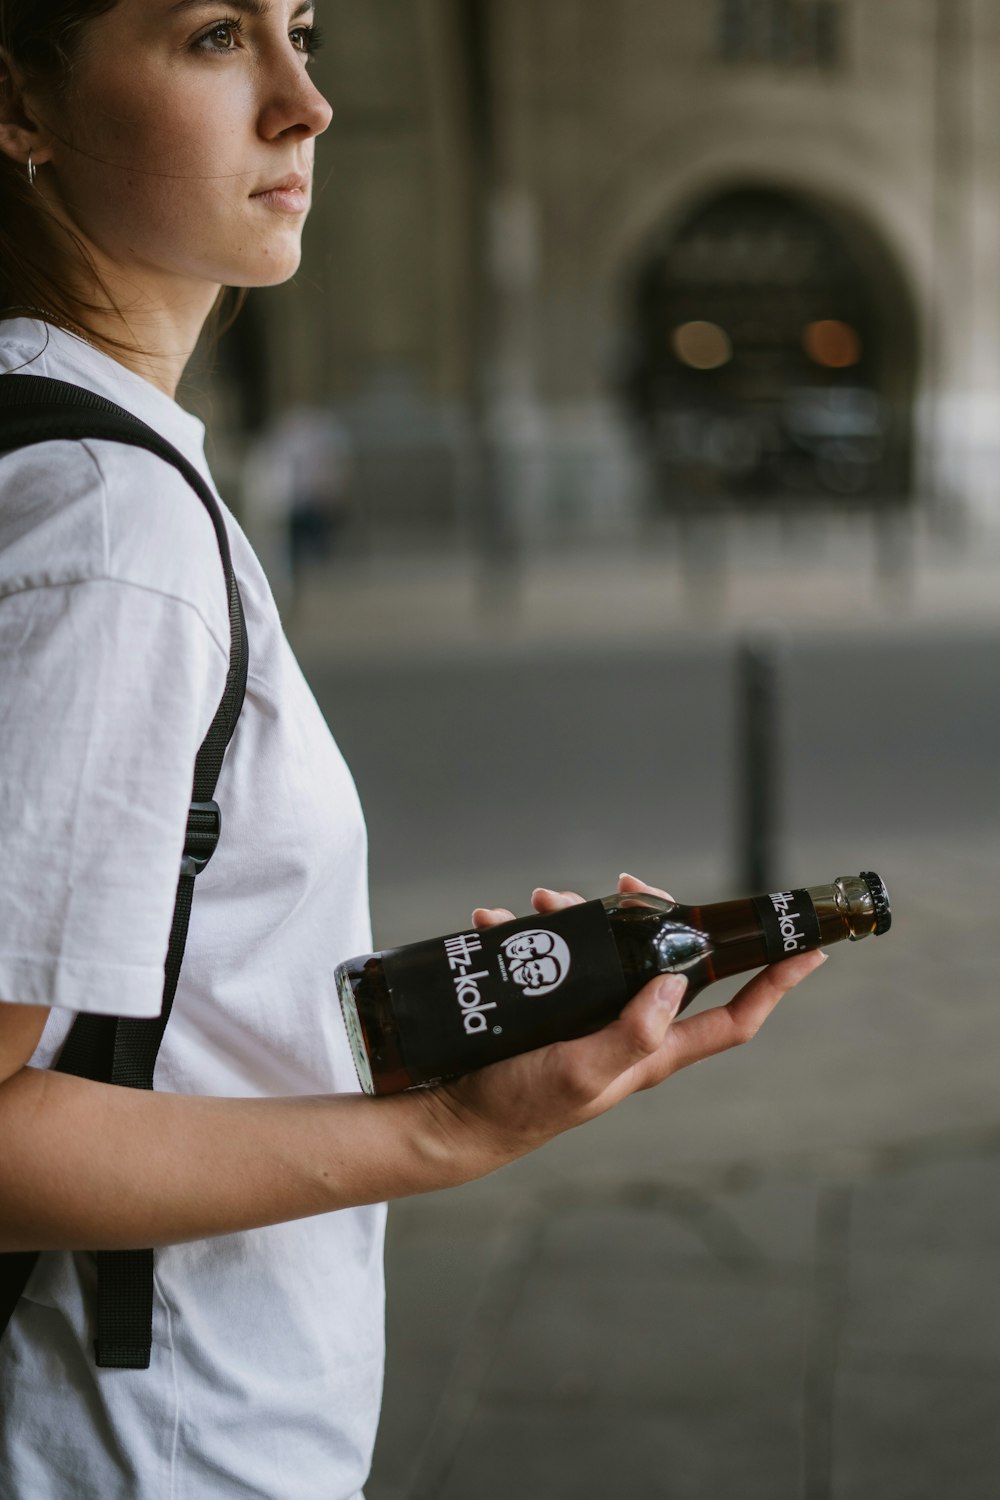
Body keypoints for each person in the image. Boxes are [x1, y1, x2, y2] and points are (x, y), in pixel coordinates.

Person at [0, 3, 826, 1496]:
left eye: (301, 27)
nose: (305, 101)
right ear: (18, 103)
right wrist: (450, 1132)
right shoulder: (106, 531)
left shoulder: (65, 468)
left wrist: (402, 1026)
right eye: (210, 36)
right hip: (146, 1444)